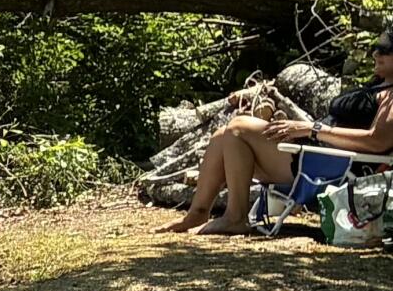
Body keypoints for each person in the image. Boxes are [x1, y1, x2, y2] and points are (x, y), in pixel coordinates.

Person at [164, 29, 393, 233]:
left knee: (238, 129)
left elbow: (377, 142)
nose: (375, 54)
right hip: (317, 152)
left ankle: (235, 217)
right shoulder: (377, 85)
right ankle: (198, 213)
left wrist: (312, 129)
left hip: (333, 164)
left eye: (383, 49)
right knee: (223, 134)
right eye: (375, 48)